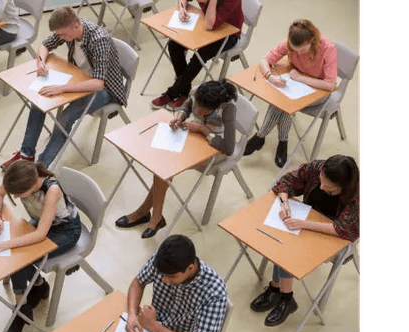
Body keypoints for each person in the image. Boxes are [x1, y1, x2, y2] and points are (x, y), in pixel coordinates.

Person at [0, 6, 126, 170]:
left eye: (63, 35)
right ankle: (26, 154)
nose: (61, 38)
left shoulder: (98, 40)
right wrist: (41, 63)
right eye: (59, 34)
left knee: (65, 118)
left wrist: (62, 88)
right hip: (77, 78)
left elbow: (98, 83)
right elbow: (44, 46)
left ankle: (41, 167)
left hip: (105, 90)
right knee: (39, 101)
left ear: (76, 25)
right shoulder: (68, 31)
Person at [116, 80, 238, 238]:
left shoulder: (228, 108)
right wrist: (180, 116)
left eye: (203, 112)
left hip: (214, 149)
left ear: (214, 107)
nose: (198, 112)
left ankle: (148, 214)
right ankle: (151, 215)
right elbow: (187, 106)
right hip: (193, 137)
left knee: (165, 168)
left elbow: (229, 148)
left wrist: (204, 129)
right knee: (164, 166)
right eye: (197, 109)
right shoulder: (197, 92)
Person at [0, 160, 82, 332]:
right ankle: (38, 287)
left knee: (19, 258)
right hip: (43, 224)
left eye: (19, 194)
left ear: (33, 186)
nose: (16, 198)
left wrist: (0, 245)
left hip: (65, 230)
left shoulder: (51, 190)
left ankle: (21, 308)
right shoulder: (20, 176)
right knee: (17, 254)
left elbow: (40, 235)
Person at [249, 155, 360, 326]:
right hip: (309, 217)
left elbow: (343, 230)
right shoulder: (318, 168)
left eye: (329, 189)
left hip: (333, 233)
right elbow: (286, 181)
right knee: (282, 239)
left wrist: (304, 224)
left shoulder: (358, 196)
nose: (322, 187)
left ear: (342, 189)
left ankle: (280, 291)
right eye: (321, 182)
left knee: (288, 246)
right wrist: (284, 202)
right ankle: (281, 293)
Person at [243, 19, 338, 168]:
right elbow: (265, 60)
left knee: (284, 101)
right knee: (283, 100)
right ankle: (283, 141)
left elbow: (331, 85)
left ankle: (260, 136)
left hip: (317, 91)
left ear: (312, 41)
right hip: (294, 83)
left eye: (302, 50)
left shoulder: (327, 48)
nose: (298, 53)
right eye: (295, 50)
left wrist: (301, 78)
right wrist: (270, 77)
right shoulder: (291, 42)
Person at [126, 235, 227, 332]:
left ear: (190, 268)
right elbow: (138, 282)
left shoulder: (214, 292)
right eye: (162, 275)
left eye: (171, 277)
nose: (165, 280)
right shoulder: (163, 260)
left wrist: (153, 325)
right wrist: (131, 314)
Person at [151, 0, 243, 111]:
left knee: (200, 56)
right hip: (206, 25)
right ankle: (184, 91)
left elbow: (210, 25)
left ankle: (171, 93)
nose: (199, 2)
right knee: (174, 45)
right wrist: (182, 10)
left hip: (229, 34)